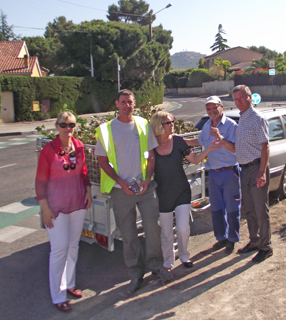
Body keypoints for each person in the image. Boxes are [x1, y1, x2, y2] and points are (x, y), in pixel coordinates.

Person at [95, 89, 172, 294]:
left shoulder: (143, 124)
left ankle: (156, 266)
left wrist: (147, 180)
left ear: (134, 103)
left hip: (145, 188)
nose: (126, 105)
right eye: (123, 102)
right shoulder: (106, 130)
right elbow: (102, 161)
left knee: (152, 227)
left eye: (129, 102)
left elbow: (152, 155)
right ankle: (136, 273)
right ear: (117, 104)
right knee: (128, 234)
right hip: (121, 191)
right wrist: (121, 182)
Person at [35, 112, 92, 312]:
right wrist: (45, 209)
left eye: (71, 125)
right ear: (57, 126)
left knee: (73, 245)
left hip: (77, 202)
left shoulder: (78, 146)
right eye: (64, 125)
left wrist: (88, 191)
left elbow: (83, 171)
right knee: (59, 250)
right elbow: (40, 182)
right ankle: (58, 295)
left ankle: (69, 284)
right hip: (56, 207)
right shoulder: (48, 151)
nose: (68, 129)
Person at [151, 111, 221, 270]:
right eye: (168, 122)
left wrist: (209, 149)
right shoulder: (151, 146)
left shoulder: (178, 141)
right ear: (159, 126)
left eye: (172, 121)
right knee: (166, 232)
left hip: (182, 191)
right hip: (163, 195)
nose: (172, 125)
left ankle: (184, 256)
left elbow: (195, 160)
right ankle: (168, 261)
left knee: (183, 228)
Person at [221, 85, 273, 263]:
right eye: (235, 99)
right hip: (244, 169)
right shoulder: (242, 118)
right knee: (249, 209)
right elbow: (238, 148)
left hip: (256, 169)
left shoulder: (257, 119)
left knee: (260, 210)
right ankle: (255, 241)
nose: (239, 102)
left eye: (241, 98)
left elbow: (265, 147)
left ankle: (266, 247)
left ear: (250, 98)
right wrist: (222, 141)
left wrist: (262, 173)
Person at [185, 96, 241, 254]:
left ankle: (232, 239)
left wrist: (220, 137)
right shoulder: (207, 125)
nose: (211, 111)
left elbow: (235, 149)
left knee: (232, 209)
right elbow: (200, 141)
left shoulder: (231, 125)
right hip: (214, 173)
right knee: (216, 209)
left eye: (214, 107)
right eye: (208, 108)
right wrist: (182, 140)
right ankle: (221, 238)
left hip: (230, 172)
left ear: (221, 107)